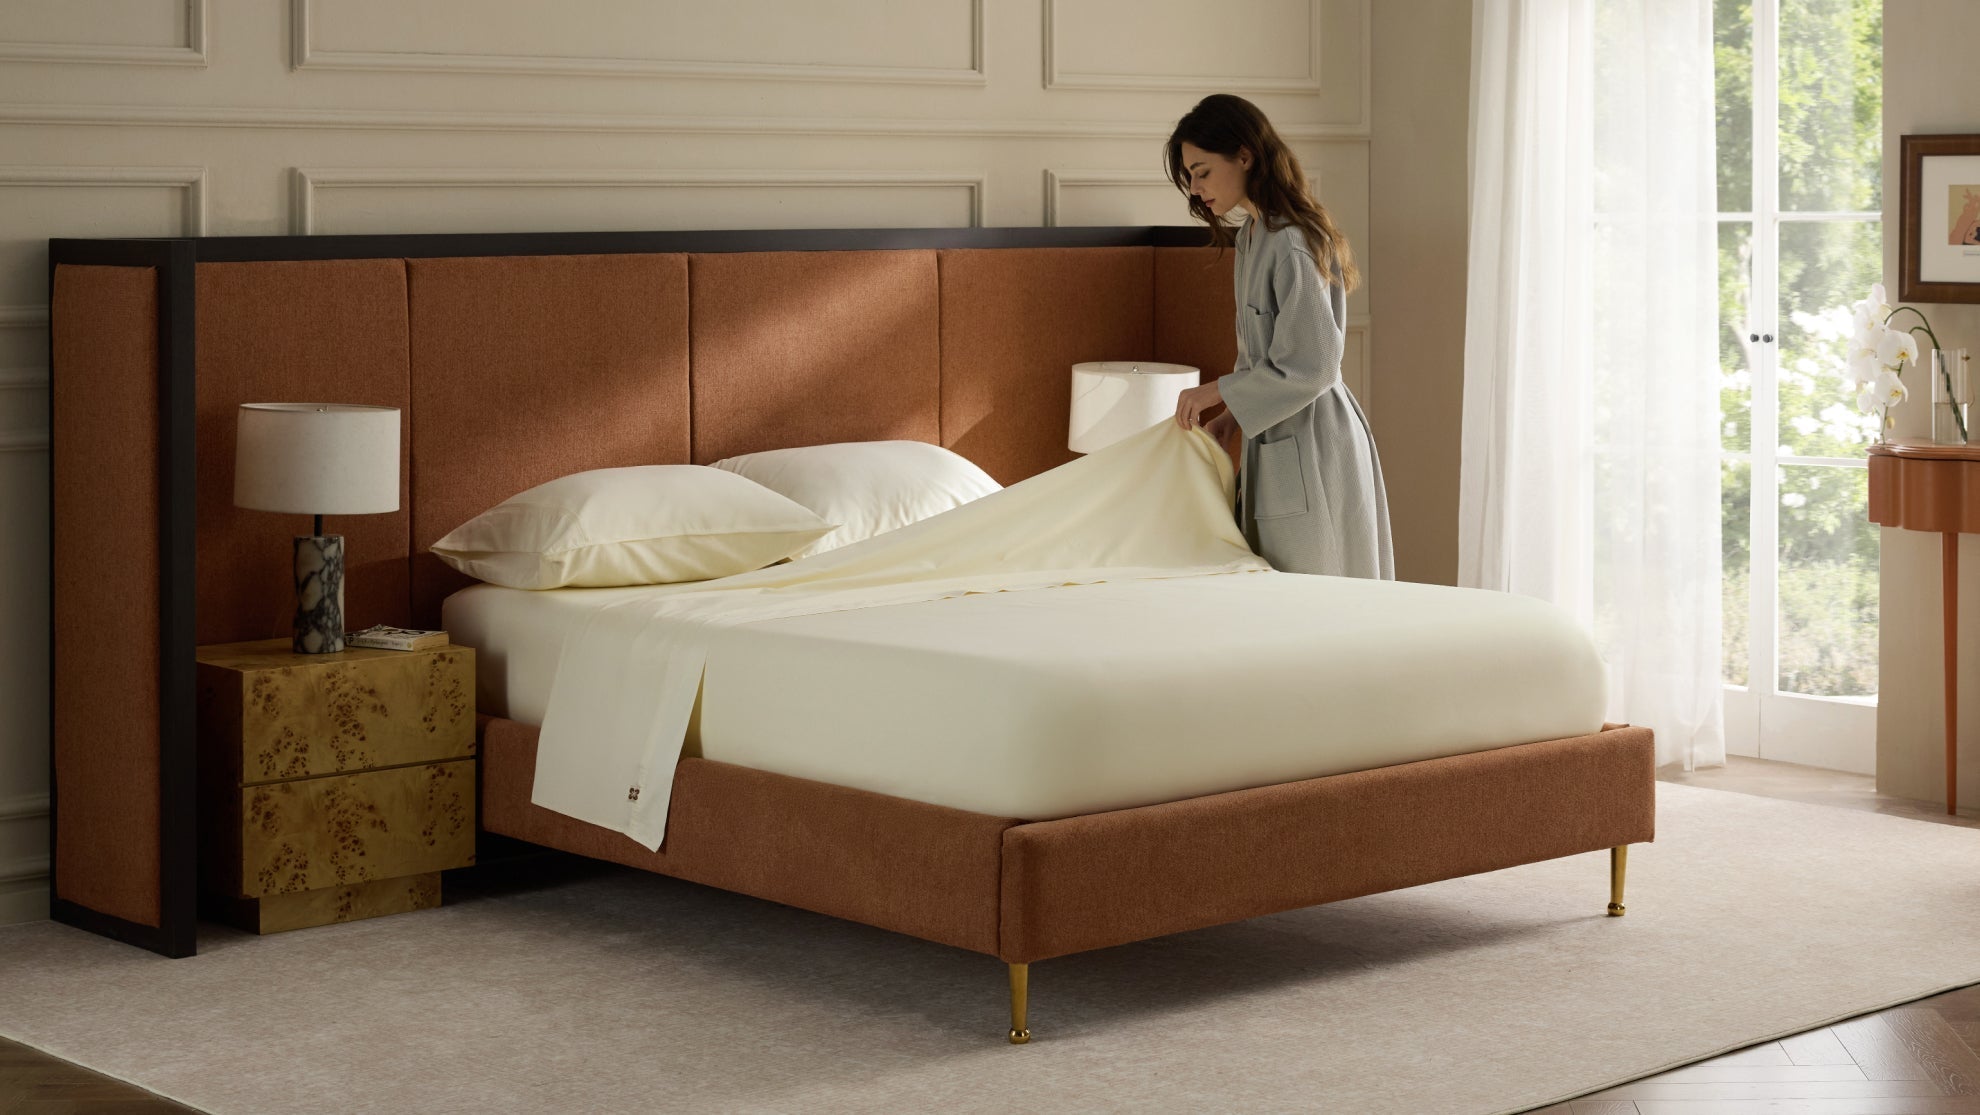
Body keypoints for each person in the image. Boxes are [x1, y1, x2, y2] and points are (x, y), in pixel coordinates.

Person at [1166, 94, 1394, 580]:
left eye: (1202, 171)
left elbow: (1311, 365)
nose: (1196, 187)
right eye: (1190, 176)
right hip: (1277, 440)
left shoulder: (1291, 240)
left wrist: (1214, 392)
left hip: (1314, 439)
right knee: (1286, 600)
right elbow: (1265, 355)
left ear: (1244, 155)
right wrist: (1231, 416)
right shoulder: (1252, 236)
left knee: (1319, 598)